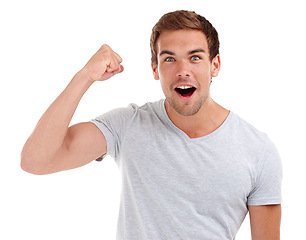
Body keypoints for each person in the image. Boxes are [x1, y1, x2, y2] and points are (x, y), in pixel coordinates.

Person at [21, 10, 282, 240]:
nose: (182, 70)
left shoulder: (258, 150)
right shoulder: (127, 125)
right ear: (155, 69)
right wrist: (85, 77)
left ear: (215, 65)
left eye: (194, 58)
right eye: (169, 59)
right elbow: (36, 160)